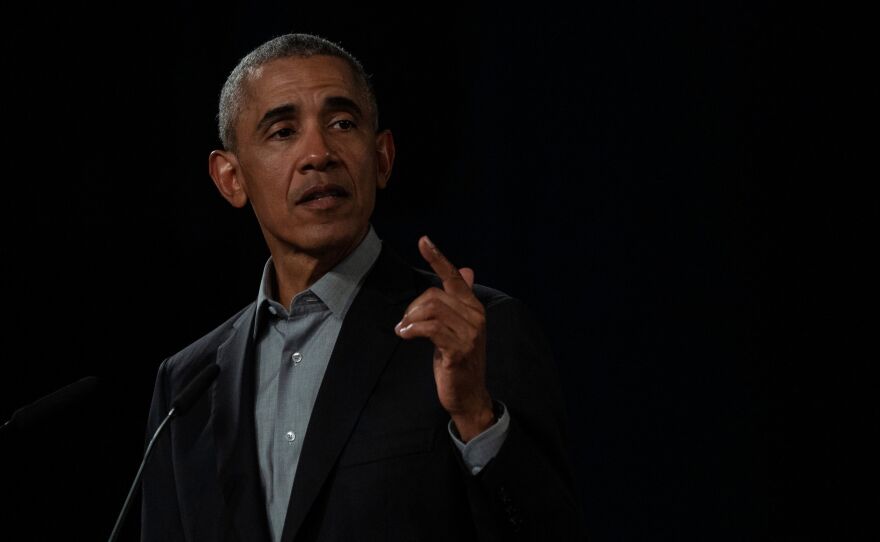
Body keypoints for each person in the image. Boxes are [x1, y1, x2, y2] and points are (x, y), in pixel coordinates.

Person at [141, 33, 585, 541]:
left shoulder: (470, 334)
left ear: (382, 159)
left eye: (342, 123)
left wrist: (476, 419)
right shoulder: (188, 383)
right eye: (283, 131)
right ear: (230, 178)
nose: (319, 153)